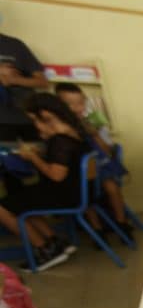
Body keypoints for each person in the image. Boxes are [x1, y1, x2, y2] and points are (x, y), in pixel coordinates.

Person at [0, 94, 89, 271]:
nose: (35, 124)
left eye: (35, 119)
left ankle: (44, 249)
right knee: (20, 202)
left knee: (3, 209)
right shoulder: (73, 131)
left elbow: (56, 175)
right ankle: (54, 242)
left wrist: (33, 157)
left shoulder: (61, 140)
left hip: (65, 194)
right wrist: (40, 153)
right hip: (73, 190)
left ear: (46, 116)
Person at [55, 82, 133, 234]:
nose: (77, 108)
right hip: (77, 173)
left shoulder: (94, 121)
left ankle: (121, 222)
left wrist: (95, 134)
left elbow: (108, 151)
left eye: (80, 103)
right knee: (82, 190)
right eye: (70, 104)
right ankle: (97, 229)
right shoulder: (59, 126)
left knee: (111, 186)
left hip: (101, 166)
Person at [0, 30, 49, 141]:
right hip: (2, 122)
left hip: (27, 118)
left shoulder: (15, 45)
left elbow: (42, 82)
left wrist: (13, 80)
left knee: (37, 154)